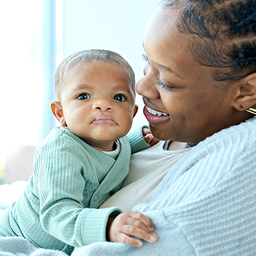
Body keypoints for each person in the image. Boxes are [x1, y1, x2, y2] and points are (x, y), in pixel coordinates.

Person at [72, 0, 256, 255]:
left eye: (167, 82)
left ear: (247, 91)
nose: (141, 87)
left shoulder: (231, 173)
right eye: (146, 60)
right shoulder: (166, 133)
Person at [0, 49, 158, 254]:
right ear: (60, 113)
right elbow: (56, 213)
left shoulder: (117, 141)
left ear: (133, 112)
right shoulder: (61, 151)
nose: (104, 104)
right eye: (84, 96)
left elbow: (118, 149)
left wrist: (142, 138)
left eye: (118, 97)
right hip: (18, 237)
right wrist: (107, 226)